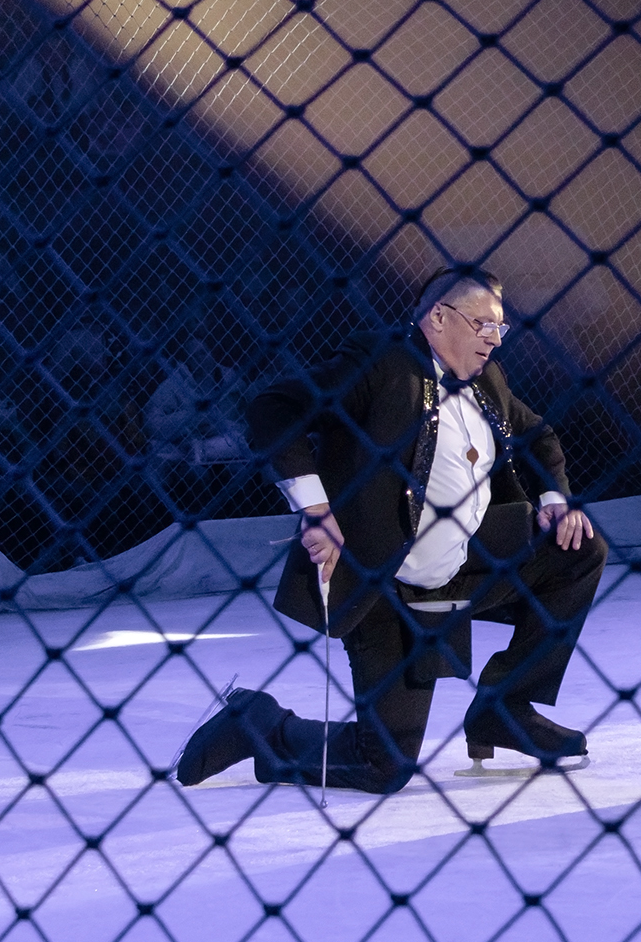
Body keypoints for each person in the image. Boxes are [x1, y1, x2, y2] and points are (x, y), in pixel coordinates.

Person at [173, 268, 606, 792]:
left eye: (500, 327)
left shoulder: (487, 379)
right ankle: (260, 724)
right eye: (483, 324)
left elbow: (537, 435)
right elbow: (275, 407)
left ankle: (505, 707)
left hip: (464, 561)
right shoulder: (382, 363)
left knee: (577, 547)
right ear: (439, 317)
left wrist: (556, 501)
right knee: (384, 767)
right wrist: (316, 509)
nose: (494, 338)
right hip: (388, 585)